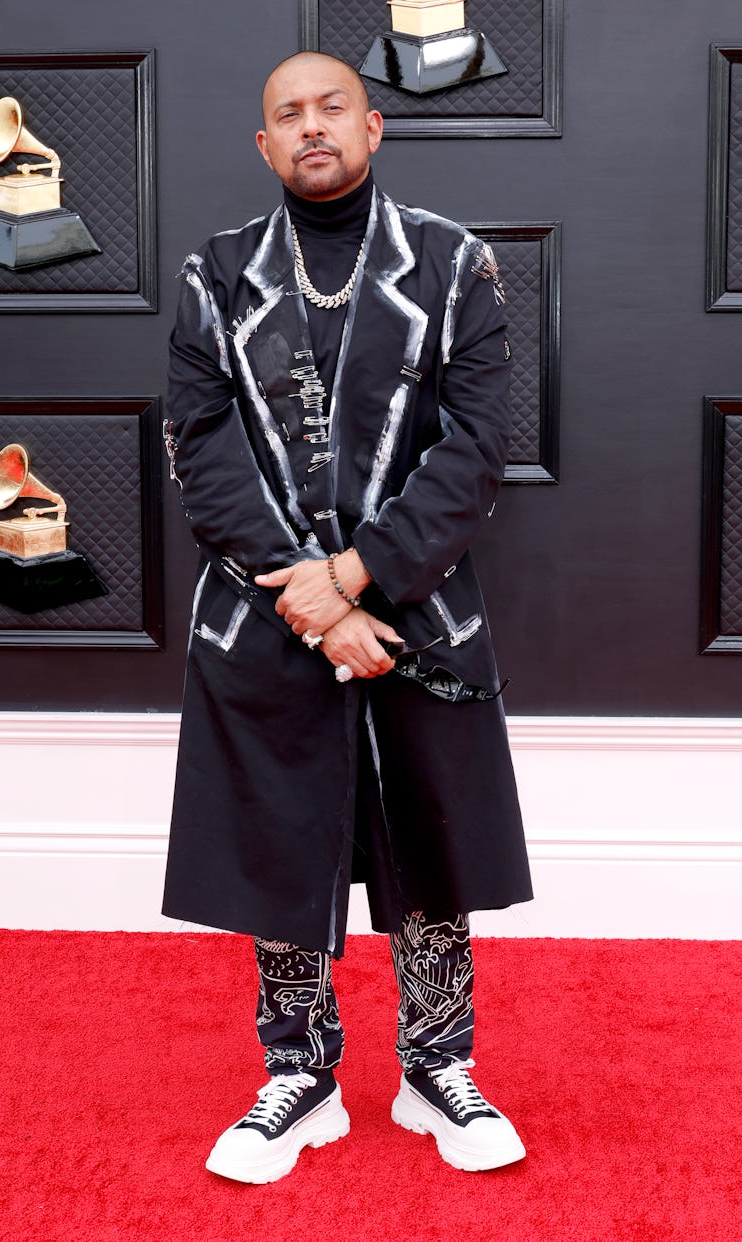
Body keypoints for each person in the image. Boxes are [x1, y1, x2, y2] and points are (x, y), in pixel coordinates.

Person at [162, 50, 533, 1184]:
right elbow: (203, 451)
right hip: (266, 612)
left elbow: (476, 450)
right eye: (289, 115)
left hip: (415, 607)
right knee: (283, 843)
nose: (312, 127)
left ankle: (437, 1068)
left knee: (431, 844)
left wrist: (363, 575)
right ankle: (300, 1075)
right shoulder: (216, 276)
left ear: (374, 127)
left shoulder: (455, 265)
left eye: (332, 108)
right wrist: (315, 602)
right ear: (265, 147)